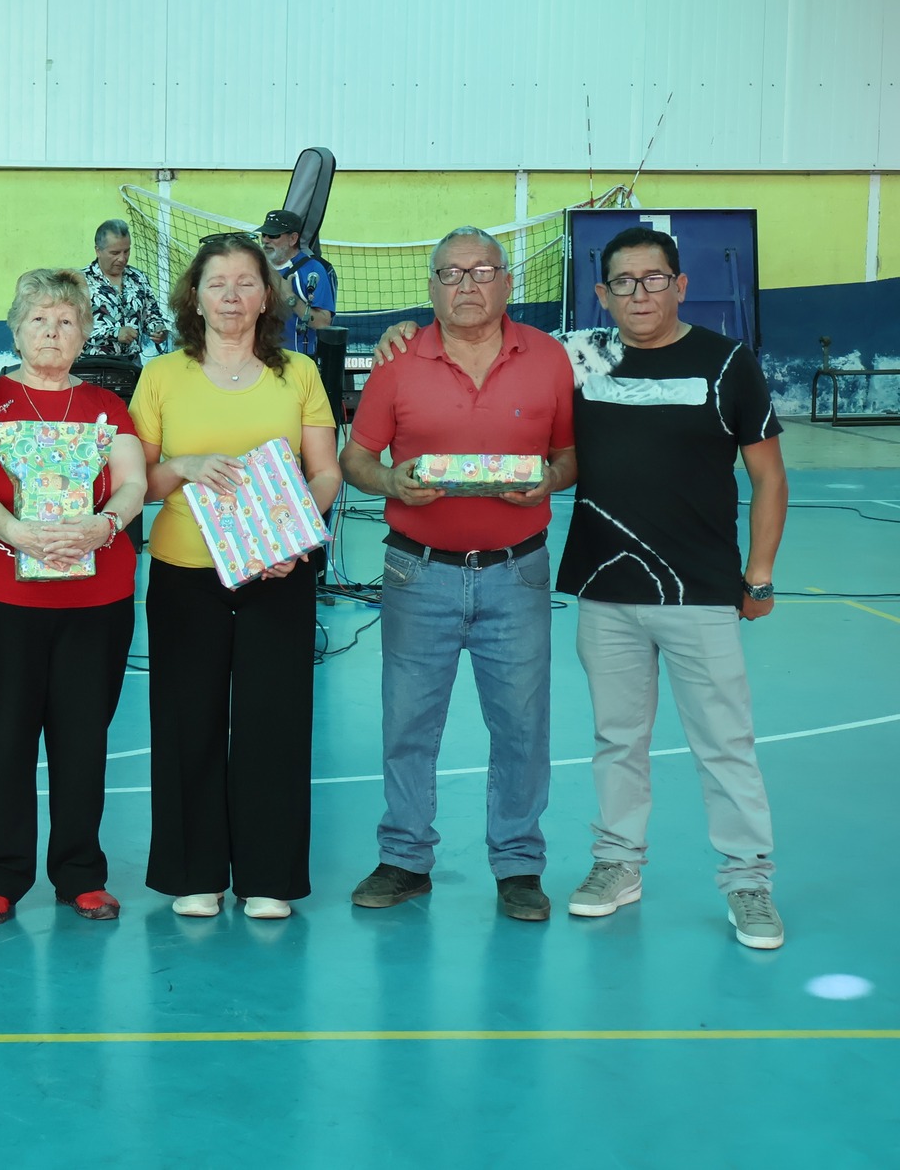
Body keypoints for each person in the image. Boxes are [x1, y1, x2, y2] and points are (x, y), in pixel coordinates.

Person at [556, 227, 788, 948]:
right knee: (616, 738)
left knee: (725, 742)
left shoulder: (728, 364)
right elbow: (488, 343)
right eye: (622, 282)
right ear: (601, 293)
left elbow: (770, 476)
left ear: (681, 285)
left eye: (654, 279)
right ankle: (617, 864)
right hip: (605, 588)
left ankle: (748, 879)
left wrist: (759, 573)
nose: (639, 294)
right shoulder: (580, 359)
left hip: (700, 592)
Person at [338, 227, 577, 924]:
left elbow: (568, 457)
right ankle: (406, 857)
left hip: (518, 573)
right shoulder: (397, 360)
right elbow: (357, 459)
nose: (467, 285)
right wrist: (389, 478)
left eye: (481, 271)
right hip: (418, 573)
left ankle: (519, 864)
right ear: (431, 286)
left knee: (523, 725)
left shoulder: (550, 359)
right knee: (408, 722)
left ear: (507, 282)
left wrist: (546, 483)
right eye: (450, 273)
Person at [131, 232, 340, 920]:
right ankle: (197, 872)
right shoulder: (161, 375)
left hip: (277, 571)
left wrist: (294, 536)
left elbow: (326, 470)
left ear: (266, 294)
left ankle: (268, 874)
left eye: (246, 281)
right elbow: (139, 482)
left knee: (273, 721)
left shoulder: (299, 375)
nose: (230, 295)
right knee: (187, 718)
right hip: (185, 571)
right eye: (216, 282)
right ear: (194, 294)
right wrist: (186, 467)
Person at [0, 269, 147, 925]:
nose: (52, 331)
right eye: (39, 319)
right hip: (4, 594)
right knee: (3, 737)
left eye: (66, 320)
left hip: (96, 598)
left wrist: (105, 524)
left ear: (84, 331)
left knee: (81, 738)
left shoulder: (107, 407)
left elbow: (130, 483)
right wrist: (17, 533)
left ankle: (80, 872)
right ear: (16, 328)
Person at [81, 219, 170, 360]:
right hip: (92, 364)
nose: (122, 258)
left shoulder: (138, 278)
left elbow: (152, 316)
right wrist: (114, 333)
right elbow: (71, 329)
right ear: (98, 251)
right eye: (115, 253)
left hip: (131, 364)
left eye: (126, 251)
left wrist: (159, 330)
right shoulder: (79, 282)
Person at [259, 209, 336, 356]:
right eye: (264, 234)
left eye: (273, 235)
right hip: (260, 359)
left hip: (296, 361)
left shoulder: (313, 269)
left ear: (293, 239)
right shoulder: (257, 267)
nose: (265, 240)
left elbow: (323, 324)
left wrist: (289, 297)